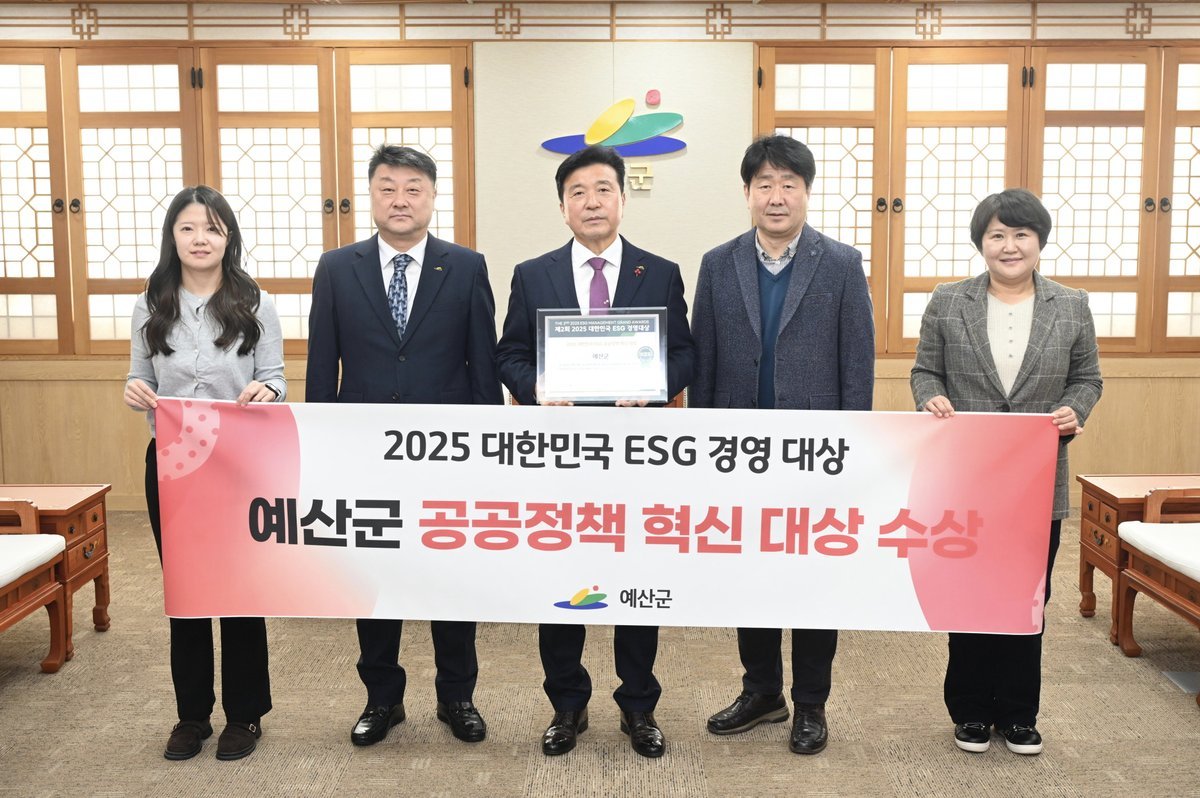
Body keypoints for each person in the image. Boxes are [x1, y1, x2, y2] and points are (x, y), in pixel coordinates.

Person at [496, 144, 695, 758]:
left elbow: (684, 352)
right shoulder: (534, 274)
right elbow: (509, 353)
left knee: (635, 585)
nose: (591, 202)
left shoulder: (659, 271)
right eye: (577, 192)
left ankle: (639, 706)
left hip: (636, 458)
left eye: (603, 189)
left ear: (623, 200)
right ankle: (567, 704)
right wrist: (537, 388)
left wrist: (654, 388)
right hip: (560, 459)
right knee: (562, 583)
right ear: (562, 207)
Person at [306, 144, 502, 747]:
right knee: (374, 579)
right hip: (364, 456)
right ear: (370, 196)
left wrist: (488, 450)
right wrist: (323, 450)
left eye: (413, 188)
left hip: (449, 454)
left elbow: (483, 365)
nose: (400, 200)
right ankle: (382, 699)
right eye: (387, 188)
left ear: (433, 197)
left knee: (452, 577)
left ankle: (457, 697)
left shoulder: (465, 266)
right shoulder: (336, 268)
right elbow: (322, 368)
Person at [691, 134, 875, 755]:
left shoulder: (841, 263)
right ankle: (762, 690)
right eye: (764, 184)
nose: (777, 196)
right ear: (747, 193)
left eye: (789, 184)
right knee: (751, 576)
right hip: (738, 454)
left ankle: (811, 703)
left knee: (814, 579)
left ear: (806, 192)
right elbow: (704, 360)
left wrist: (851, 451)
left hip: (815, 455)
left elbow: (857, 363)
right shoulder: (718, 264)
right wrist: (704, 448)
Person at [910, 187, 1102, 756]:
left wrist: (1075, 409)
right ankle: (970, 710)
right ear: (981, 243)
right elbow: (925, 371)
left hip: (1036, 484)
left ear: (1040, 242)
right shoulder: (949, 300)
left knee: (1026, 598)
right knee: (969, 596)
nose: (1009, 245)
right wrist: (930, 398)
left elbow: (1087, 378)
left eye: (1021, 234)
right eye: (997, 235)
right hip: (965, 479)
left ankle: (1018, 714)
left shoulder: (1071, 304)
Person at [124, 185, 286, 762]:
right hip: (173, 464)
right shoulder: (151, 303)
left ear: (228, 238)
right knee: (187, 589)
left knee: (240, 588)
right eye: (188, 228)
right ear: (172, 237)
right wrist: (134, 391)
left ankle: (245, 715)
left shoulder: (255, 302)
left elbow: (276, 378)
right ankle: (192, 715)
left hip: (238, 462)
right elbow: (138, 379)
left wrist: (267, 390)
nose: (200, 239)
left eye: (212, 229)